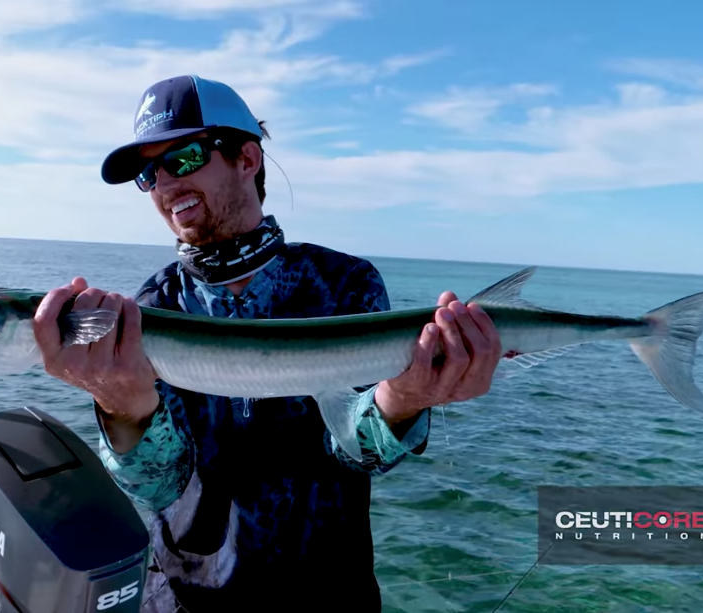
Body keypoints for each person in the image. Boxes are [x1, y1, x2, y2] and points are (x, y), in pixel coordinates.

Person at [32, 75, 502, 612]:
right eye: (148, 172)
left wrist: (406, 400)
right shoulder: (147, 309)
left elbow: (357, 455)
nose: (164, 184)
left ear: (247, 159)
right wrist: (124, 411)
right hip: (188, 601)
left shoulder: (342, 281)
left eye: (182, 159)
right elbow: (161, 490)